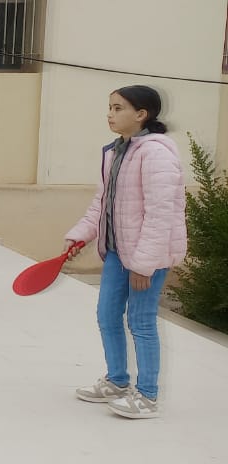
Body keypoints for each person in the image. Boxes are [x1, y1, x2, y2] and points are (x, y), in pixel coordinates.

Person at [65, 85, 187, 419]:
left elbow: (160, 215)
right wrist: (79, 236)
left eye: (118, 108)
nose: (110, 114)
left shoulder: (156, 154)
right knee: (107, 316)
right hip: (118, 252)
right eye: (109, 107)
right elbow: (101, 204)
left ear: (141, 114)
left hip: (148, 257)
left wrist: (144, 265)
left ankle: (147, 396)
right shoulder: (117, 151)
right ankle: (117, 381)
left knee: (141, 321)